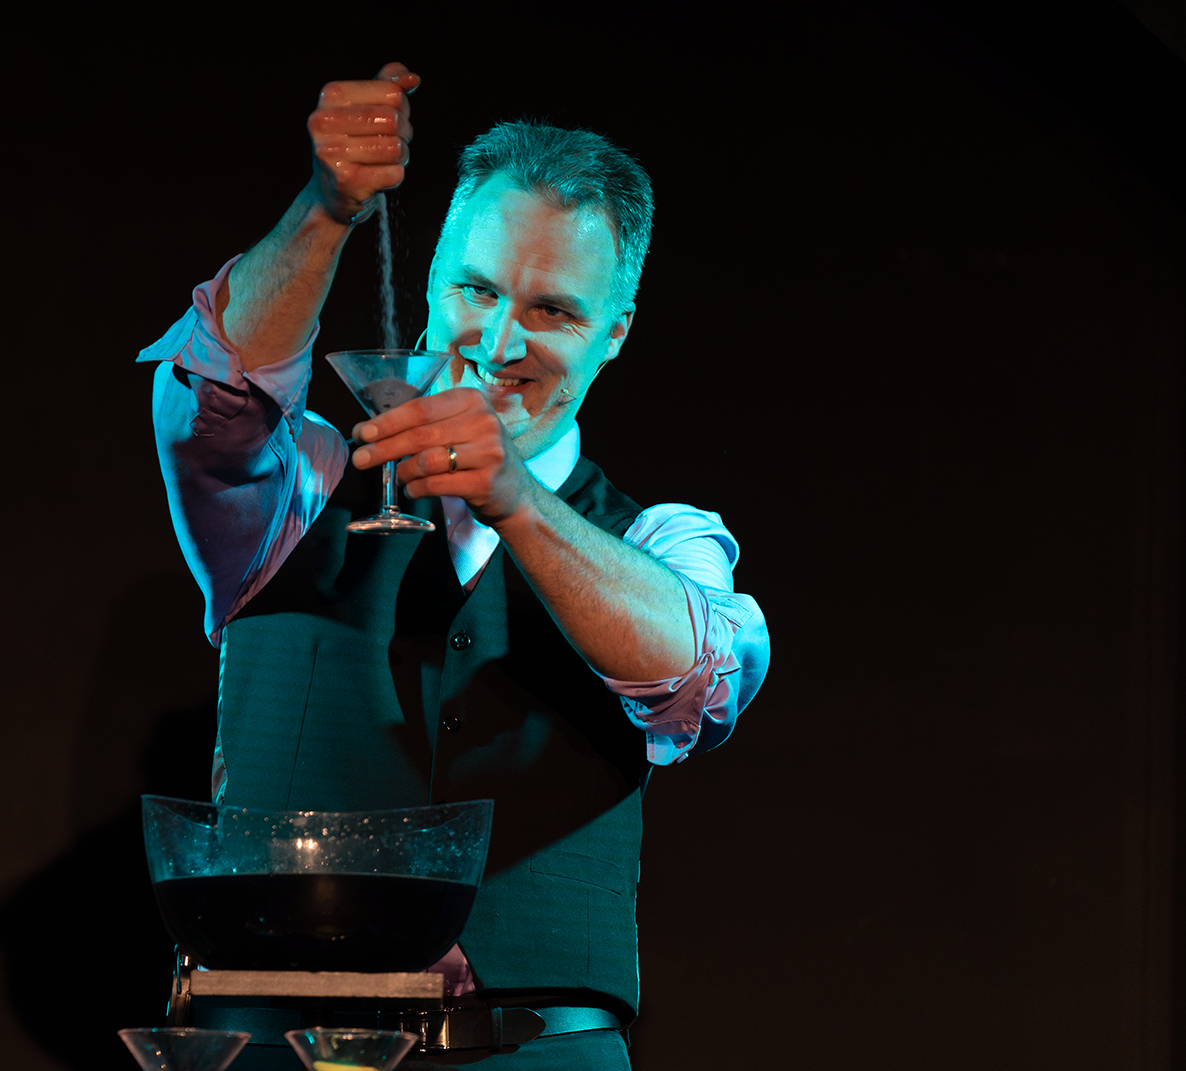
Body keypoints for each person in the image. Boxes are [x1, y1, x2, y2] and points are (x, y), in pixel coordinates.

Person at [138, 62, 769, 1069]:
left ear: (616, 333)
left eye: (555, 311)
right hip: (274, 1050)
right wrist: (327, 208)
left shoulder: (658, 540)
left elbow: (703, 675)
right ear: (430, 279)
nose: (501, 338)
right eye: (474, 288)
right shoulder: (299, 492)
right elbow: (216, 402)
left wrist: (515, 499)